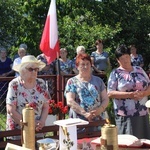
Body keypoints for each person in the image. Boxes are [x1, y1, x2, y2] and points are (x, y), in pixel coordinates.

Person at [107, 44, 150, 139]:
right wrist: (129, 95)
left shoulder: (139, 70)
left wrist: (144, 93)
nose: (125, 60)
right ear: (118, 60)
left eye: (126, 57)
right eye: (122, 58)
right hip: (125, 115)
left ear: (130, 56)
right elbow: (110, 93)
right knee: (128, 143)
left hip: (142, 112)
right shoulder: (116, 73)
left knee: (144, 142)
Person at [6, 55, 49, 140]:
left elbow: (46, 106)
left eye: (36, 69)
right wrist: (30, 124)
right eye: (31, 69)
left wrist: (42, 121)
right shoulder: (14, 84)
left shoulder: (41, 83)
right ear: (22, 70)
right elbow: (11, 110)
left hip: (37, 130)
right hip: (18, 132)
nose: (34, 72)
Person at [65, 53, 109, 124]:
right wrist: (85, 114)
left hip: (98, 120)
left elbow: (105, 99)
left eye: (87, 64)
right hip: (79, 121)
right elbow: (70, 101)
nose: (85, 66)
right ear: (77, 66)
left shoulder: (98, 81)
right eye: (82, 64)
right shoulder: (71, 82)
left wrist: (99, 110)